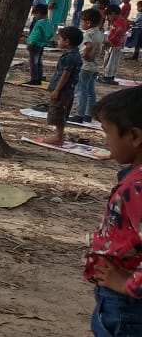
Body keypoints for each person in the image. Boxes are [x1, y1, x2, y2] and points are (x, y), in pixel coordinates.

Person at [84, 87, 142, 337]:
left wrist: (128, 284)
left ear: (135, 136)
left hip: (126, 305)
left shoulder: (138, 188)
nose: (105, 140)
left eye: (107, 131)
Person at [42, 26, 84, 145]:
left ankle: (59, 137)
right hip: (69, 89)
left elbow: (66, 74)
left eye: (60, 39)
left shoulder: (69, 57)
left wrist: (57, 90)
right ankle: (58, 135)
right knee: (62, 112)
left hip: (63, 90)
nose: (58, 41)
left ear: (67, 42)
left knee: (58, 112)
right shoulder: (76, 55)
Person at [72, 9, 106, 124]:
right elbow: (106, 43)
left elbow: (89, 45)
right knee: (91, 92)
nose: (81, 24)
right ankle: (88, 114)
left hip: (85, 66)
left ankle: (79, 115)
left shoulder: (87, 34)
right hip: (94, 66)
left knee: (81, 91)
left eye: (82, 22)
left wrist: (85, 55)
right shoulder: (99, 33)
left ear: (88, 23)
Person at [24, 4, 53, 86]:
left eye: (34, 14)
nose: (34, 17)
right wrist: (45, 40)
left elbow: (35, 35)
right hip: (42, 45)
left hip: (35, 45)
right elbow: (51, 34)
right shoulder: (49, 22)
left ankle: (34, 79)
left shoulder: (39, 23)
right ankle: (39, 78)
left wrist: (31, 43)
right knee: (39, 62)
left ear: (39, 13)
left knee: (33, 63)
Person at [101, 4, 129, 85]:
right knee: (114, 61)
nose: (109, 18)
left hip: (112, 44)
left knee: (109, 60)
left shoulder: (118, 21)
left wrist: (113, 37)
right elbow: (126, 30)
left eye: (109, 16)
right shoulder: (123, 20)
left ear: (113, 13)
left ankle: (107, 77)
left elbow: (120, 30)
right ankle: (111, 76)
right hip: (117, 44)